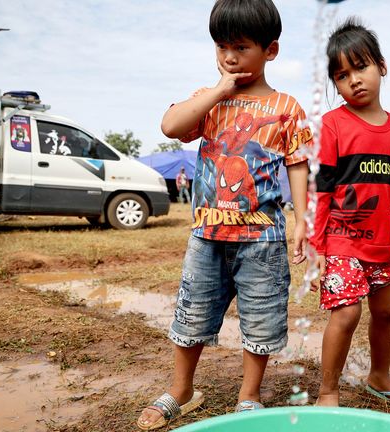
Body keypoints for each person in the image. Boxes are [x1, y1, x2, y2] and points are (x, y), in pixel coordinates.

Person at [136, 1, 311, 429]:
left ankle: (249, 395)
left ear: (270, 50)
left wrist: (301, 219)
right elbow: (170, 126)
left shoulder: (287, 107)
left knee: (262, 315)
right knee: (191, 311)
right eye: (221, 47)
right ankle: (182, 389)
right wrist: (217, 91)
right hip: (206, 235)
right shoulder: (208, 100)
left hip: (263, 238)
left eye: (240, 47)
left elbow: (298, 163)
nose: (229, 57)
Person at [310, 17, 390, 410]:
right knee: (346, 313)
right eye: (342, 75)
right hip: (341, 239)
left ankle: (379, 374)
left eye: (361, 67)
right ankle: (328, 390)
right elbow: (320, 190)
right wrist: (315, 244)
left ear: (382, 66)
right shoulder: (332, 125)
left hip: (385, 243)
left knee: (387, 310)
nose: (354, 80)